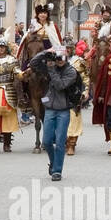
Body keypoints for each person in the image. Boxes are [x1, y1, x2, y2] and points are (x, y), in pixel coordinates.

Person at [28, 44, 78, 181]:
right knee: (47, 141)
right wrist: (46, 52)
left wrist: (51, 70)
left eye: (62, 57)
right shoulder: (50, 66)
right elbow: (33, 63)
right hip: (49, 109)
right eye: (57, 57)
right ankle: (53, 162)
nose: (60, 60)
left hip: (63, 110)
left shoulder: (71, 72)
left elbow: (60, 85)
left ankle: (57, 171)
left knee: (61, 142)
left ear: (66, 57)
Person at [65, 39, 90, 156]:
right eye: (65, 48)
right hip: (61, 95)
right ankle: (64, 142)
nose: (67, 50)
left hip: (75, 94)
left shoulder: (79, 61)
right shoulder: (58, 61)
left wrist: (85, 91)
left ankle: (72, 144)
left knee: (74, 119)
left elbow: (85, 78)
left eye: (69, 48)